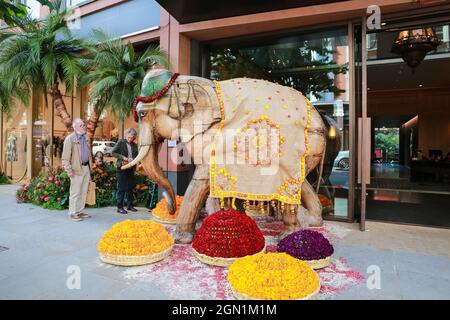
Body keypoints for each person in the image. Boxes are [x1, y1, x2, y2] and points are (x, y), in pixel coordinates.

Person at [61, 118, 92, 222]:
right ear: (74, 127)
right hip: (76, 169)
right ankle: (72, 213)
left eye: (83, 125)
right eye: (81, 125)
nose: (83, 127)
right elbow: (65, 158)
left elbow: (89, 154)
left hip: (86, 168)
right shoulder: (70, 139)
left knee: (83, 192)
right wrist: (69, 171)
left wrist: (90, 169)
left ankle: (79, 211)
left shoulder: (86, 137)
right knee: (75, 192)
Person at [111, 128, 138, 214]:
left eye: (132, 138)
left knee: (130, 187)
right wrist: (123, 157)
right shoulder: (121, 142)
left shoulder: (134, 145)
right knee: (121, 187)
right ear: (126, 135)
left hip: (131, 167)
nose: (130, 139)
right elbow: (113, 152)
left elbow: (137, 156)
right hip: (122, 167)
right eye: (129, 137)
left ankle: (129, 206)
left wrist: (133, 160)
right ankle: (120, 207)